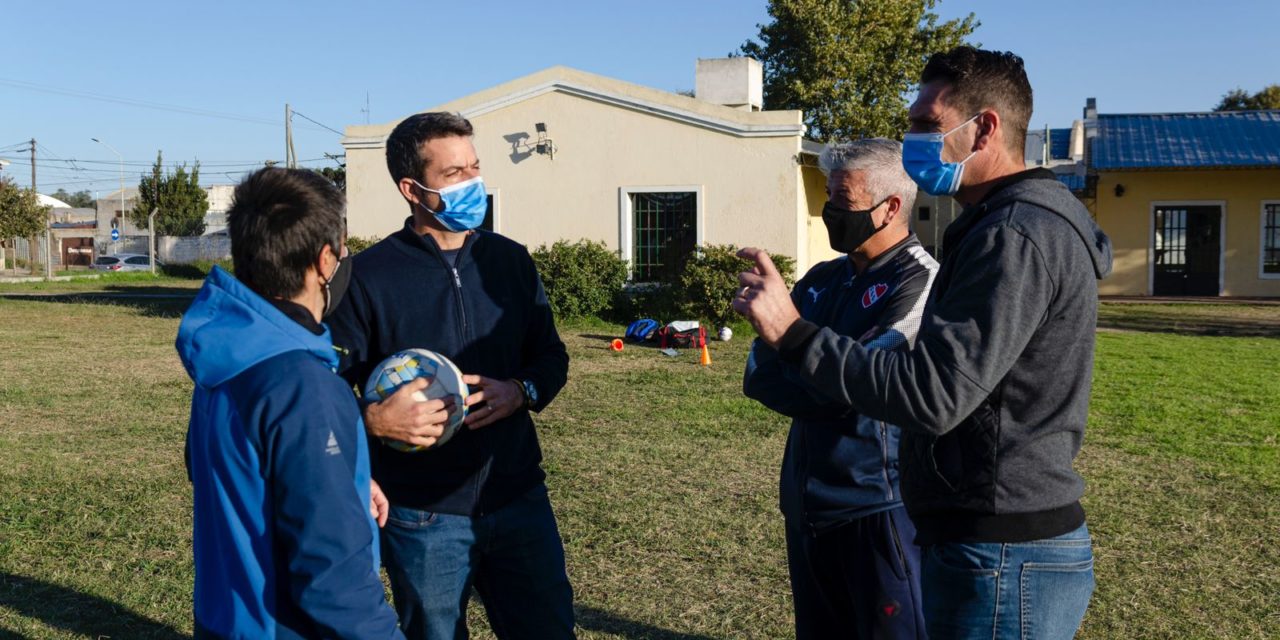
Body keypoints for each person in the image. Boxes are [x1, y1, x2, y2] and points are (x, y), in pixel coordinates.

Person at [733, 46, 1113, 640]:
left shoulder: (1014, 234)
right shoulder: (1004, 226)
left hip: (1001, 550)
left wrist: (793, 333)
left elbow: (933, 396)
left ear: (983, 128)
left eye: (924, 125)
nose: (910, 141)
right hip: (982, 540)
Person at [328, 112, 574, 640]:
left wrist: (522, 391)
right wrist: (368, 420)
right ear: (412, 189)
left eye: (475, 167)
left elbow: (551, 356)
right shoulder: (367, 278)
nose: (473, 184)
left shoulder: (510, 262)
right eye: (454, 174)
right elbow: (323, 387)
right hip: (421, 516)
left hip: (519, 498)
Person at [177, 167, 404, 638]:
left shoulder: (232, 350)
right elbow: (333, 578)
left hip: (226, 616)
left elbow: (217, 463)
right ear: (325, 260)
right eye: (343, 248)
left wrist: (346, 478)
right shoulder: (302, 384)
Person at [743, 138, 937, 640]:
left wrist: (798, 352)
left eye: (842, 202)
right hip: (805, 504)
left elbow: (866, 380)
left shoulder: (918, 281)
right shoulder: (820, 279)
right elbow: (760, 376)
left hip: (878, 505)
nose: (830, 211)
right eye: (828, 198)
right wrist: (815, 366)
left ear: (890, 207)